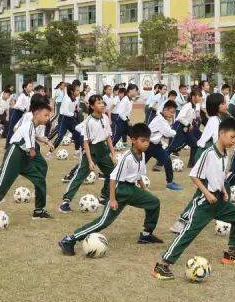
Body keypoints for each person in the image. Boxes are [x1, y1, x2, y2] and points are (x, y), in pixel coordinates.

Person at [153, 117, 235, 280]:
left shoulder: (226, 153)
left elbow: (219, 175)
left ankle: (231, 253)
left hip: (219, 200)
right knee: (188, 233)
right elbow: (194, 176)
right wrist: (207, 193)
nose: (234, 141)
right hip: (206, 202)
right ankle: (162, 265)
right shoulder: (209, 153)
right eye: (232, 137)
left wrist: (223, 191)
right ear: (222, 133)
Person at [58, 122, 163, 254]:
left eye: (148, 141)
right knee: (103, 222)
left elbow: (138, 175)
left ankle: (146, 234)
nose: (146, 144)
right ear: (133, 140)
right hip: (120, 191)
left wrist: (144, 189)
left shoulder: (141, 154)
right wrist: (112, 199)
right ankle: (69, 239)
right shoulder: (127, 157)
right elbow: (113, 178)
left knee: (154, 202)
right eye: (143, 141)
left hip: (132, 189)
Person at [0, 95, 52, 230]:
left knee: (39, 179)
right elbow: (26, 135)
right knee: (2, 186)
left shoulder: (34, 125)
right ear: (37, 113)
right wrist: (32, 148)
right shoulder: (28, 122)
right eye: (46, 115)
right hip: (15, 154)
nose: (48, 118)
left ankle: (39, 211)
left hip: (25, 158)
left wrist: (43, 141)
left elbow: (31, 135)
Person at [59, 94, 115, 213]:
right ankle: (66, 201)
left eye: (102, 102)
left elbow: (108, 137)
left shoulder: (105, 117)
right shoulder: (88, 121)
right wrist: (90, 161)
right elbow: (86, 143)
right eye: (99, 103)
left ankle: (104, 197)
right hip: (92, 150)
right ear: (92, 106)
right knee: (80, 176)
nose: (102, 105)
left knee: (112, 173)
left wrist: (113, 154)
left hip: (103, 150)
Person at [147, 100, 182, 191]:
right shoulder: (160, 120)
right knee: (138, 164)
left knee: (167, 160)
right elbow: (170, 133)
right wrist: (176, 130)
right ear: (165, 110)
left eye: (174, 113)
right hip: (147, 145)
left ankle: (170, 183)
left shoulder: (161, 118)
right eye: (171, 112)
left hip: (155, 145)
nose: (172, 115)